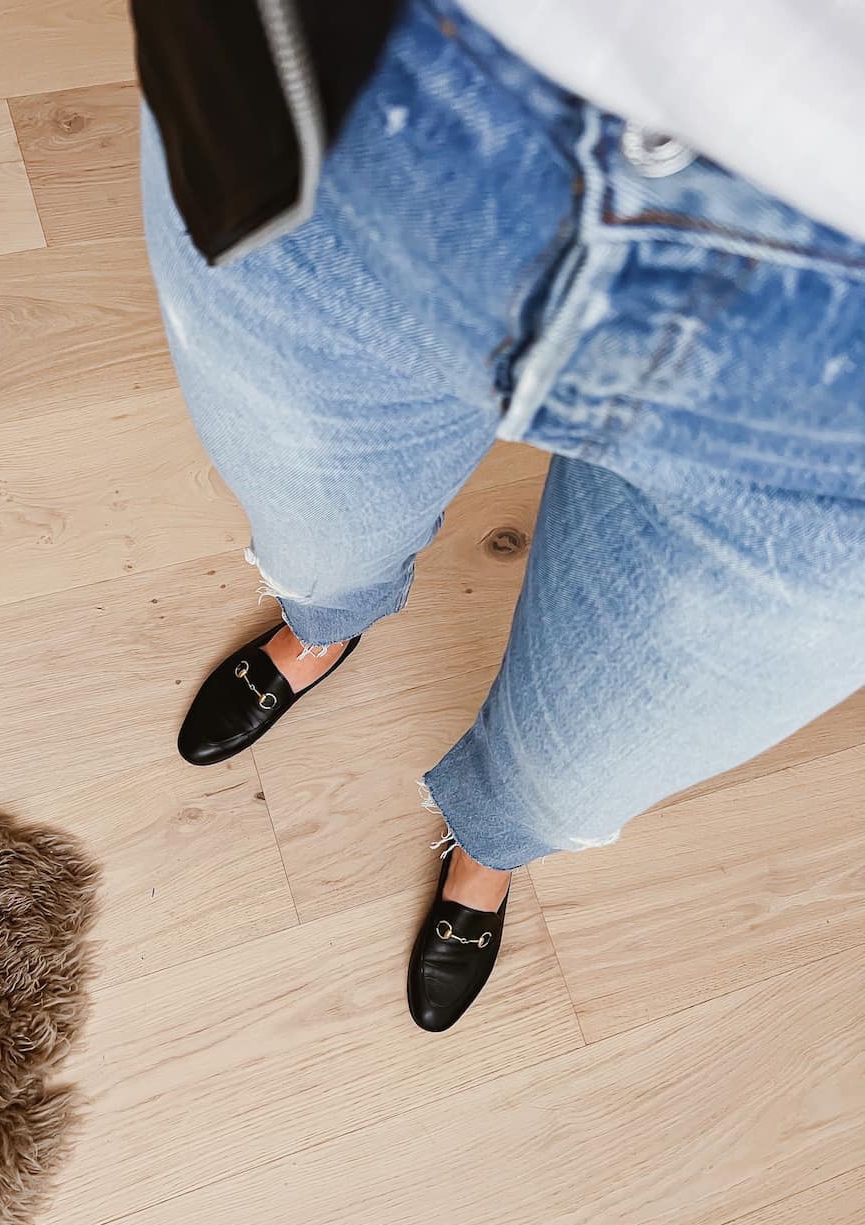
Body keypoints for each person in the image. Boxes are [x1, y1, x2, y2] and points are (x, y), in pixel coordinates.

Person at [136, 0, 865, 1031]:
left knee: (578, 769)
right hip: (371, 94)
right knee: (315, 529)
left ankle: (488, 848)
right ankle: (324, 623)